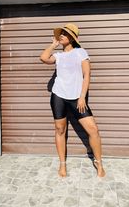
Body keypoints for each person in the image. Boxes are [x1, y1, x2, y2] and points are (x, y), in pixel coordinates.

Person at [40, 23, 106, 177]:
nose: (61, 35)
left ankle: (99, 163)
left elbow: (87, 74)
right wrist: (53, 44)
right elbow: (43, 58)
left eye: (65, 33)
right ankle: (62, 164)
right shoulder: (58, 56)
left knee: (93, 130)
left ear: (72, 38)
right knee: (60, 130)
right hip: (58, 96)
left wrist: (82, 96)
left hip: (77, 98)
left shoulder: (80, 52)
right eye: (60, 33)